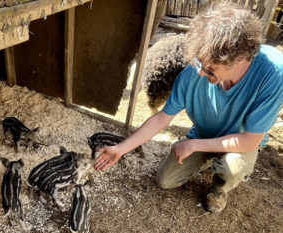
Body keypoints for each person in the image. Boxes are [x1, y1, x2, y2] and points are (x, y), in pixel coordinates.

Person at [94, 2, 283, 213]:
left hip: (240, 142)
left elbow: (250, 140)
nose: (201, 73)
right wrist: (121, 149)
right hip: (203, 134)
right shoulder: (194, 71)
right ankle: (209, 160)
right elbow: (162, 118)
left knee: (233, 168)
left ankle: (220, 188)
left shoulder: (272, 73)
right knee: (165, 180)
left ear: (239, 59)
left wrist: (193, 146)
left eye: (211, 69)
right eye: (200, 63)